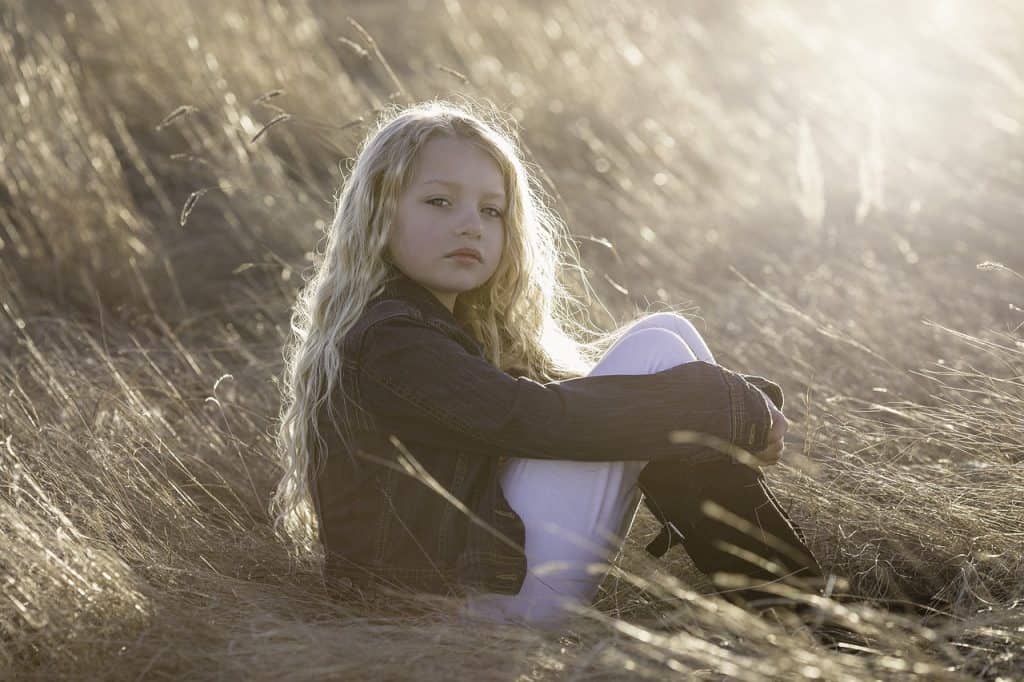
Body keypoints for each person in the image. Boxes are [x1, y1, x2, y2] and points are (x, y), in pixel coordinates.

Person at [269, 98, 831, 634]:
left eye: (491, 210)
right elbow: (533, 419)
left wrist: (728, 405)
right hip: (443, 615)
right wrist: (721, 405)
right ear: (377, 211)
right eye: (439, 201)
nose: (471, 224)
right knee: (658, 355)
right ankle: (812, 616)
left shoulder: (433, 324)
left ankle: (800, 613)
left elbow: (555, 402)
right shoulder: (392, 338)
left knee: (664, 335)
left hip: (474, 589)